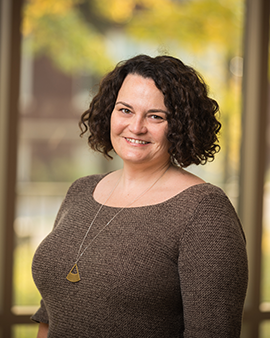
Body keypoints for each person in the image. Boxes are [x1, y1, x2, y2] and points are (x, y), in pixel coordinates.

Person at [31, 54, 248, 338]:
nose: (136, 127)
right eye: (125, 110)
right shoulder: (81, 191)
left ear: (181, 125)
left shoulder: (204, 211)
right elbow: (51, 313)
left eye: (156, 116)